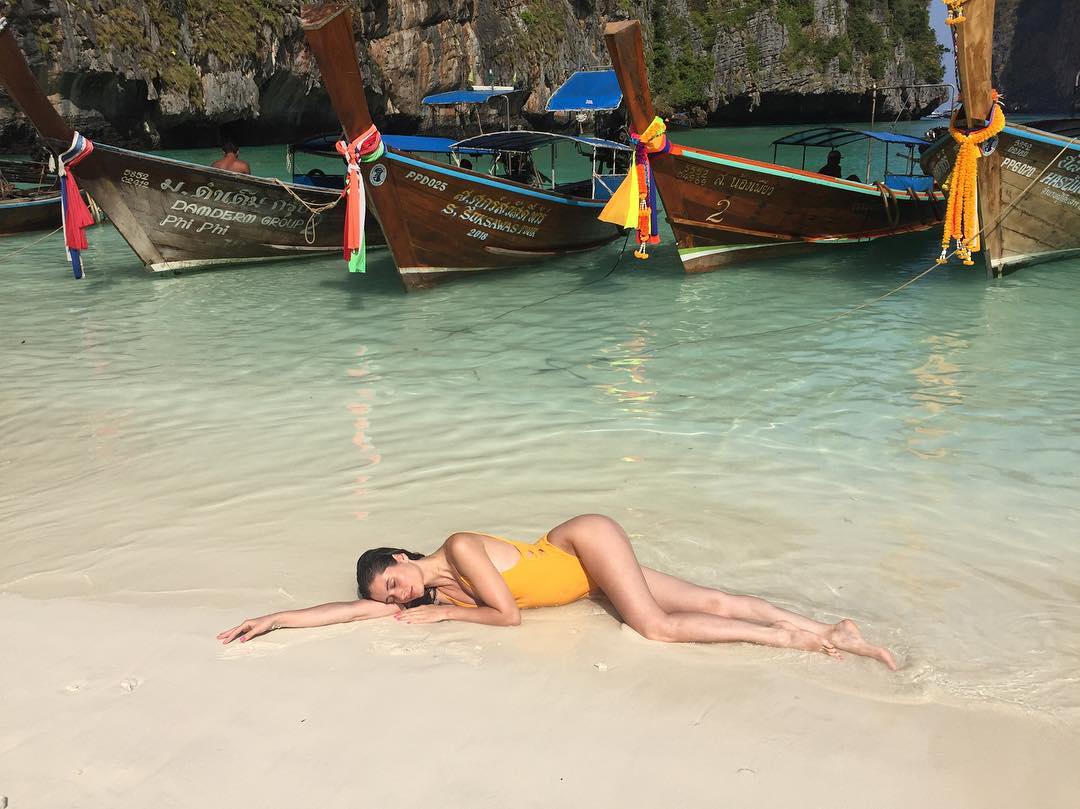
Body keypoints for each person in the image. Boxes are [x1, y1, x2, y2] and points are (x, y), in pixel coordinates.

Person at [219, 514, 898, 669]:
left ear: (401, 557)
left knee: (656, 626)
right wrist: (275, 618)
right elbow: (349, 611)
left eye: (392, 582)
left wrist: (445, 623)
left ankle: (796, 639)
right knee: (709, 601)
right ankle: (828, 627)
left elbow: (507, 616)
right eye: (390, 598)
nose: (395, 598)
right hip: (583, 582)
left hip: (582, 544)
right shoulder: (438, 597)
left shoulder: (457, 548)